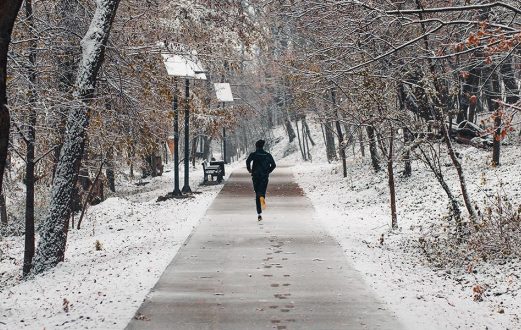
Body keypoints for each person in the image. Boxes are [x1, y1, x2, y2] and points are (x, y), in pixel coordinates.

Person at [246, 139, 276, 221]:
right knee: (262, 192)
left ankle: (259, 213)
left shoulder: (253, 154)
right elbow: (273, 165)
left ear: (256, 146)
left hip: (255, 176)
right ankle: (262, 201)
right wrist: (268, 171)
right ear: (263, 146)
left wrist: (249, 169)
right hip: (264, 177)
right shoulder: (267, 155)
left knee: (257, 193)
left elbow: (248, 161)